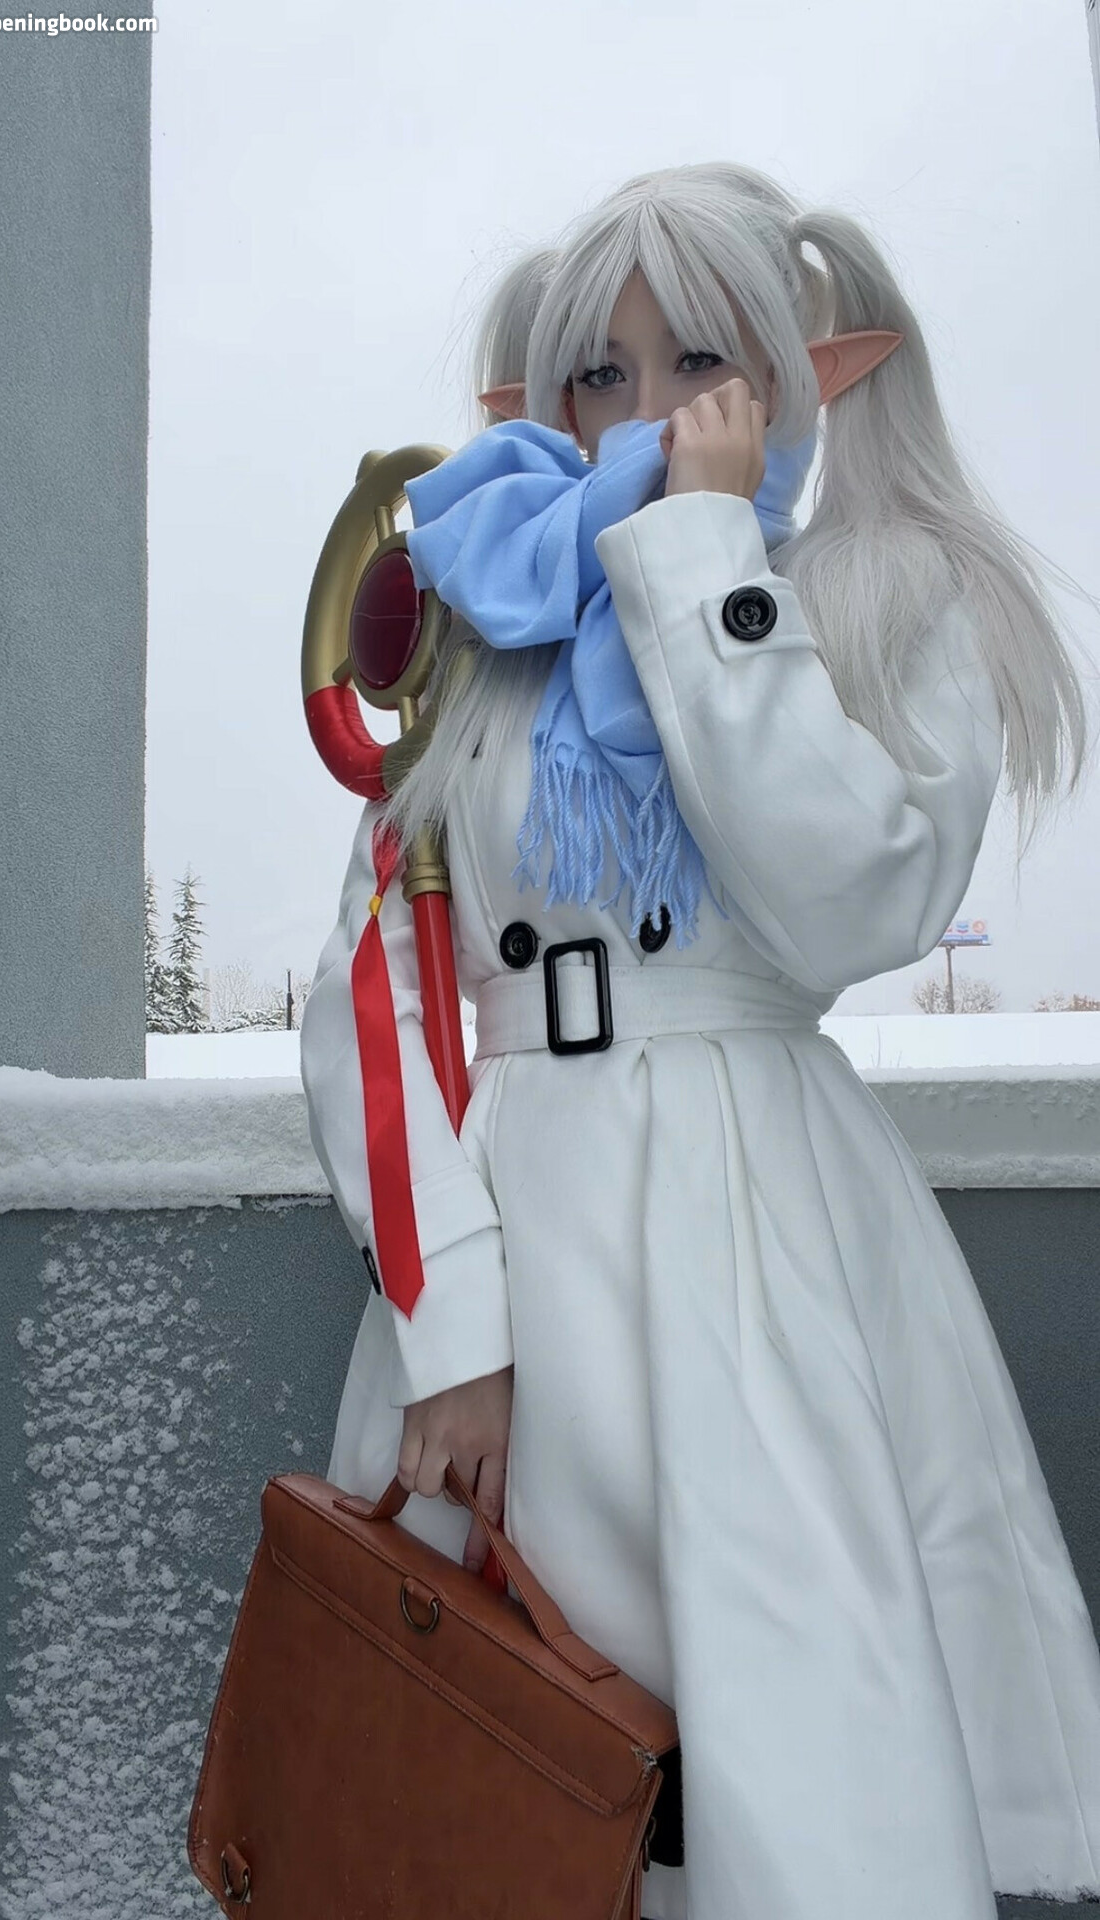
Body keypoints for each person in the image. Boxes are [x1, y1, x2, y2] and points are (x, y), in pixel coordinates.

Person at [300, 161, 1100, 1920]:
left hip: (765, 1253)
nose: (650, 412)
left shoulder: (879, 605)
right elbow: (371, 988)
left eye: (702, 364)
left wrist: (701, 565)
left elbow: (843, 903)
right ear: (544, 395)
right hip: (510, 1271)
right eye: (602, 371)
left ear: (796, 381)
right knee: (495, 1778)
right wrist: (454, 1330)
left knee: (792, 1775)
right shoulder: (478, 644)